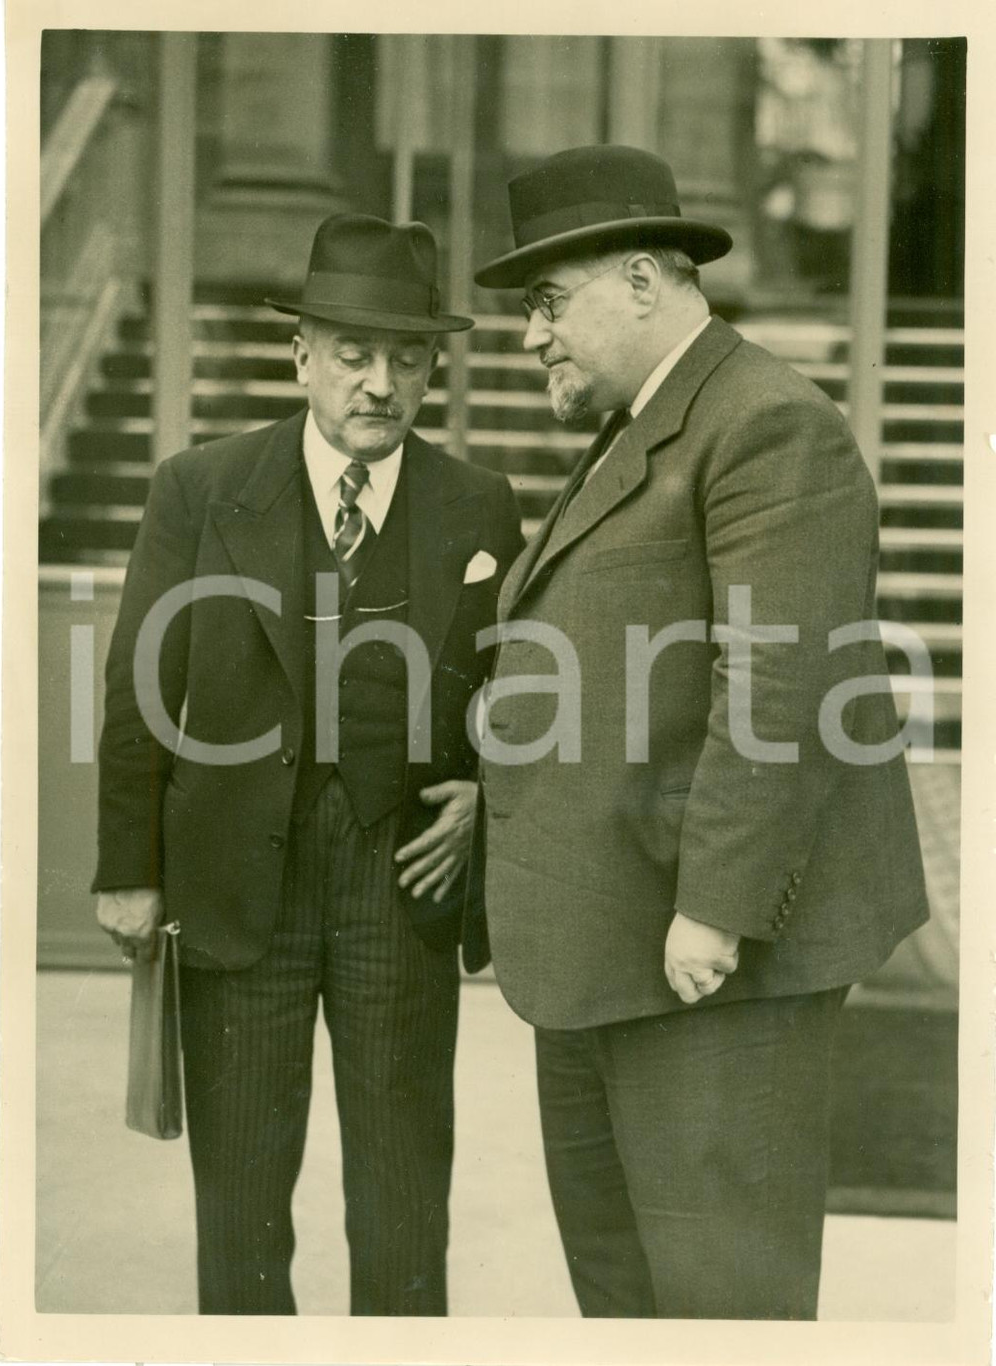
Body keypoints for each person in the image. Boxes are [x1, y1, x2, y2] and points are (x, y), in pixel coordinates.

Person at [468, 145, 930, 1320]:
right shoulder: (650, 427)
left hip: (704, 973)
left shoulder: (764, 422)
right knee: (627, 1305)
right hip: (605, 960)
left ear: (640, 279)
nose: (532, 337)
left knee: (725, 1308)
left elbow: (781, 689)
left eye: (547, 303)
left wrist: (713, 910)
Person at [93, 213, 524, 1316]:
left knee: (401, 1202)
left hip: (401, 887)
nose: (378, 383)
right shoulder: (200, 489)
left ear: (433, 368)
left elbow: (518, 694)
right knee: (238, 1207)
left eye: (405, 358)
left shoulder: (478, 506)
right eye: (352, 353)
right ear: (301, 358)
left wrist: (485, 793)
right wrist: (126, 868)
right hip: (240, 885)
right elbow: (141, 687)